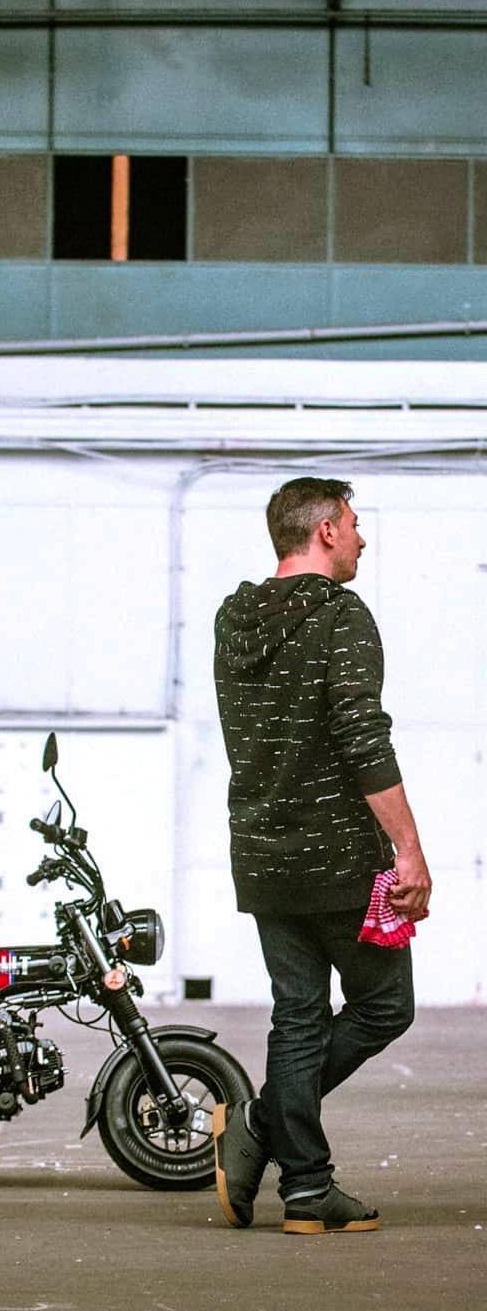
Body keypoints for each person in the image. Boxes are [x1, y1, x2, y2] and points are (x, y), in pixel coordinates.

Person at [211, 476, 430, 1234]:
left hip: (262, 855)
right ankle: (262, 1126)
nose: (363, 538)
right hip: (337, 858)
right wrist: (409, 851)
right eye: (355, 523)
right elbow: (362, 737)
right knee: (385, 1005)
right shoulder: (341, 615)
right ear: (327, 530)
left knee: (299, 1017)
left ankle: (305, 1186)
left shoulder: (233, 618)